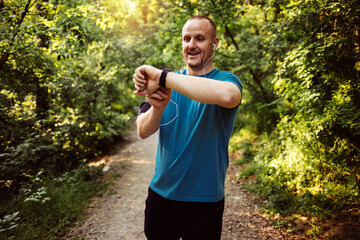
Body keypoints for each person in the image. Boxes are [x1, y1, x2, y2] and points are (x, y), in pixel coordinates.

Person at [133, 15, 243, 240]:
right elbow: (142, 130)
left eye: (200, 38)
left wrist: (163, 77)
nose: (191, 45)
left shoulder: (226, 80)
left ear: (214, 44)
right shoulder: (167, 83)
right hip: (161, 196)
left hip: (205, 202)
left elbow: (229, 95)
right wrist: (158, 107)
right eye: (186, 39)